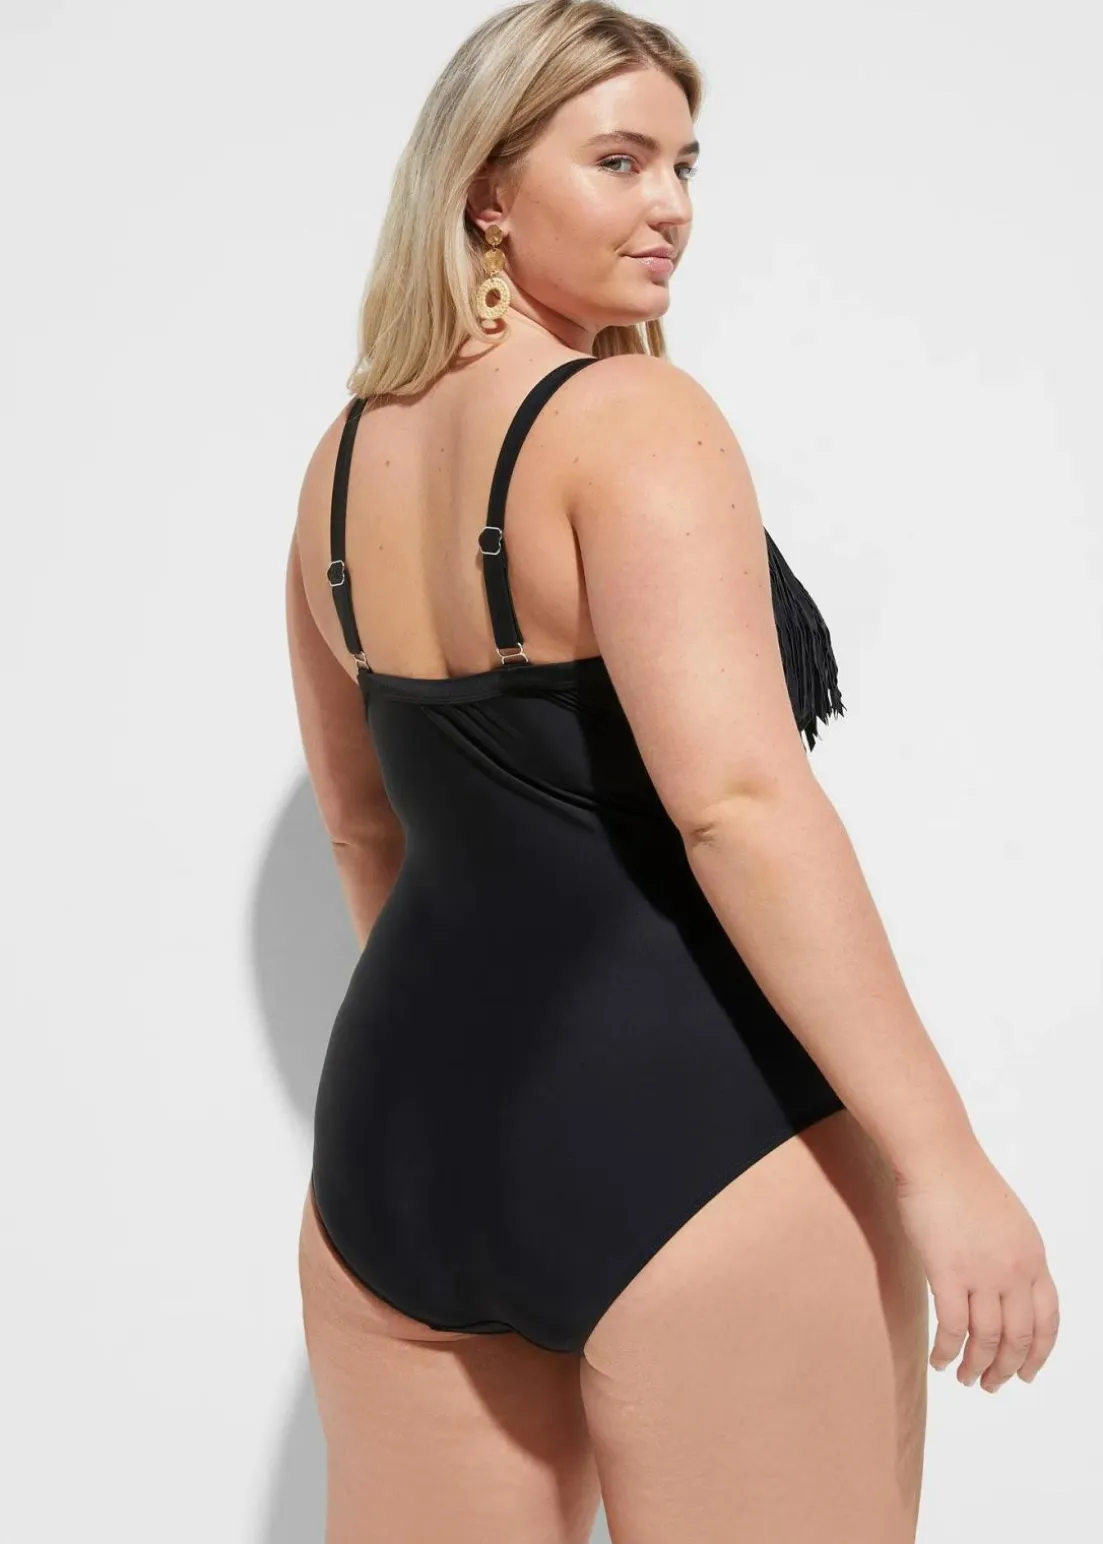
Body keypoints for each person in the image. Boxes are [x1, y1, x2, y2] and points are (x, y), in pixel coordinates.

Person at [284, 4, 1060, 1540]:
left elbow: (362, 825)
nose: (671, 208)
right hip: (696, 1142)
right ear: (485, 191)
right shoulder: (634, 420)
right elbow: (737, 806)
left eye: (685, 164)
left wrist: (490, 1071)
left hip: (399, 1149)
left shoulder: (342, 458)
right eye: (620, 160)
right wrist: (944, 1164)